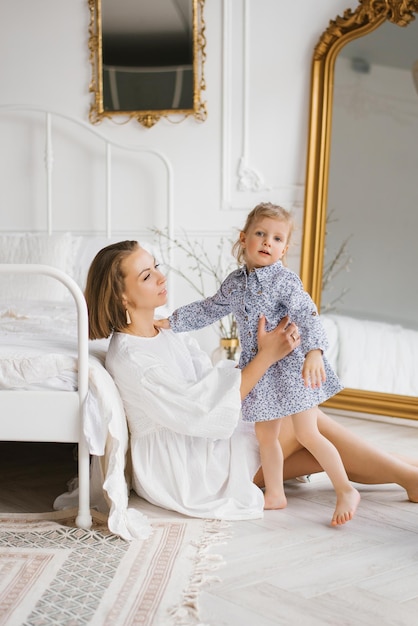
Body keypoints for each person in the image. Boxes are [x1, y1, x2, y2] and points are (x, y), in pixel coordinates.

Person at [85, 240, 418, 527]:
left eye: (156, 266)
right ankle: (409, 477)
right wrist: (267, 355)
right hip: (192, 467)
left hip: (208, 438)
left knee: (316, 446)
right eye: (146, 276)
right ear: (122, 297)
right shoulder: (131, 357)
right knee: (305, 420)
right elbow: (201, 414)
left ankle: (408, 471)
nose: (161, 276)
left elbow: (208, 383)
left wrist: (267, 357)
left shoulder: (165, 330)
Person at [157, 203, 359, 525]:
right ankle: (276, 493)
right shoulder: (235, 283)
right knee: (266, 437)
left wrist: (315, 352)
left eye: (277, 238)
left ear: (285, 248)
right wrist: (172, 321)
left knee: (308, 433)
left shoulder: (284, 282)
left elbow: (307, 314)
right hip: (260, 371)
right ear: (244, 238)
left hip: (293, 367)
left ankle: (346, 488)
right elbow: (209, 309)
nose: (268, 242)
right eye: (261, 234)